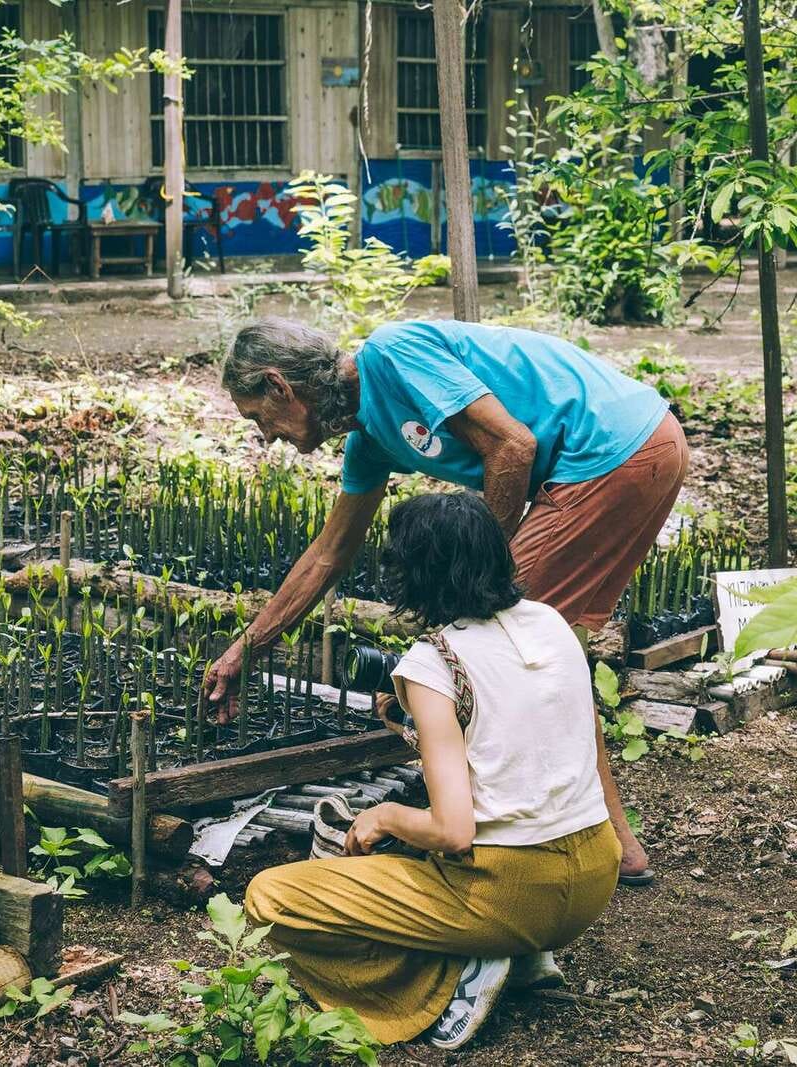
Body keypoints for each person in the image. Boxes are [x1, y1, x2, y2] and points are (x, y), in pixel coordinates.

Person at [211, 316, 690, 885]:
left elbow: (513, 446)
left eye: (257, 417)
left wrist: (469, 582)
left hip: (610, 451)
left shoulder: (392, 353)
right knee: (541, 658)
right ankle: (612, 846)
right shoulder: (368, 442)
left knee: (494, 652)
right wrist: (247, 648)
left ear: (279, 387)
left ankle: (505, 844)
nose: (266, 436)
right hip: (637, 446)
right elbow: (327, 556)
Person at [245, 492, 622, 1050]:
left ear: (416, 572)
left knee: (270, 896)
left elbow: (453, 831)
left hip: (510, 891)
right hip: (595, 873)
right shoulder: (549, 621)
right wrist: (417, 723)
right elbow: (519, 732)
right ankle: (521, 957)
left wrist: (386, 815)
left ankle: (449, 979)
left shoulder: (434, 661)